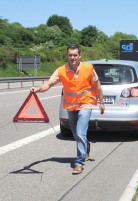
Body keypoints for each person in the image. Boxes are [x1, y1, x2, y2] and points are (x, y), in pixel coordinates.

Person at [30, 44, 105, 175]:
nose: (72, 57)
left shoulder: (88, 68)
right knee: (76, 133)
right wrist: (37, 89)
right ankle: (86, 147)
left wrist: (101, 102)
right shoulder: (61, 70)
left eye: (75, 55)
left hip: (86, 104)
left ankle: (79, 162)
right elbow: (48, 84)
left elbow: (98, 86)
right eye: (70, 55)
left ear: (80, 56)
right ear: (67, 56)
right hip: (71, 106)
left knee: (81, 133)